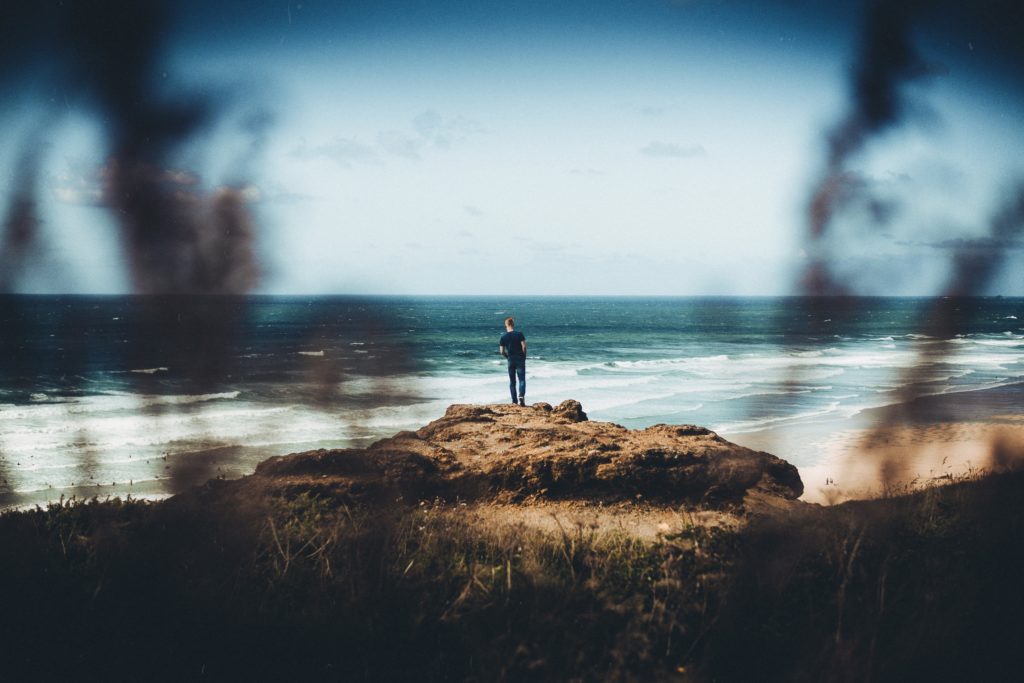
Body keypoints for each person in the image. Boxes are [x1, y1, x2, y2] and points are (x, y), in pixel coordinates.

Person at [499, 316, 527, 406]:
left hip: (511, 360)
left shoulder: (503, 337)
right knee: (522, 379)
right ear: (513, 324)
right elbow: (524, 347)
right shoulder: (519, 334)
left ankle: (514, 401)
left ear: (506, 325)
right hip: (520, 359)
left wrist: (508, 357)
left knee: (512, 381)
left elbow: (502, 352)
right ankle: (521, 396)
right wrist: (524, 356)